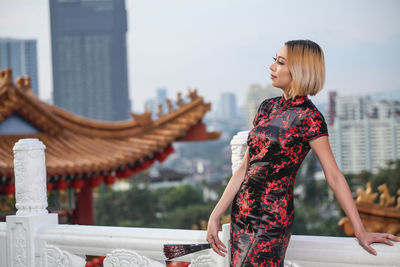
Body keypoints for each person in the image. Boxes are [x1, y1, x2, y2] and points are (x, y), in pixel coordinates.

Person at [206, 39, 400, 267]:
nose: (272, 67)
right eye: (274, 61)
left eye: (280, 62)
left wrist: (360, 231)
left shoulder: (310, 118)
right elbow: (245, 168)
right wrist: (216, 214)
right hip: (242, 215)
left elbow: (334, 176)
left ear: (300, 70)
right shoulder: (267, 107)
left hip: (271, 218)